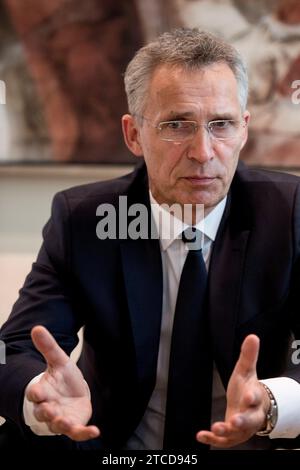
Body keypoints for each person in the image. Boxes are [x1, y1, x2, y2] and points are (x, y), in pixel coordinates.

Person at [1, 27, 300, 452]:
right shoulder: (86, 219)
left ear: (244, 129)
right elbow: (12, 349)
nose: (203, 151)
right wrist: (40, 394)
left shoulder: (288, 213)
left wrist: (273, 403)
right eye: (177, 125)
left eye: (221, 125)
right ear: (134, 135)